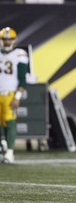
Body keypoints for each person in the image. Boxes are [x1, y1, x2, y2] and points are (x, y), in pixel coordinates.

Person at [0, 27, 29, 163]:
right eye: (4, 39)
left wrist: (17, 96)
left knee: (10, 122)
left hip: (9, 93)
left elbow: (22, 78)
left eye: (9, 39)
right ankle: (3, 145)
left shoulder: (20, 54)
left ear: (14, 40)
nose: (7, 42)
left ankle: (10, 153)